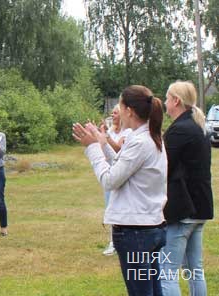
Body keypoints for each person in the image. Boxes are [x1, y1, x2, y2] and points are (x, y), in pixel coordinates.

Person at [73, 85, 167, 295]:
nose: (117, 111)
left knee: (141, 291)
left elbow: (109, 180)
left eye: (120, 106)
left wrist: (92, 148)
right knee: (151, 289)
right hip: (150, 228)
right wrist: (102, 142)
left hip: (136, 233)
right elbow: (123, 165)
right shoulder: (148, 138)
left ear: (129, 111)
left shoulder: (140, 142)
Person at [160, 81, 214, 296]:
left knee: (167, 272)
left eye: (166, 98)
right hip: (199, 207)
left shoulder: (180, 130)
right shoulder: (197, 126)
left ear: (176, 101)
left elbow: (164, 166)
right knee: (194, 271)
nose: (164, 103)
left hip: (183, 209)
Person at [100, 104, 131, 256]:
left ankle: (122, 241)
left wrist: (106, 138)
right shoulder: (111, 130)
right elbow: (105, 150)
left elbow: (118, 149)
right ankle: (113, 242)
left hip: (122, 173)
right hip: (110, 171)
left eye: (116, 113)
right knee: (109, 207)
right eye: (112, 113)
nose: (113, 115)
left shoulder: (127, 132)